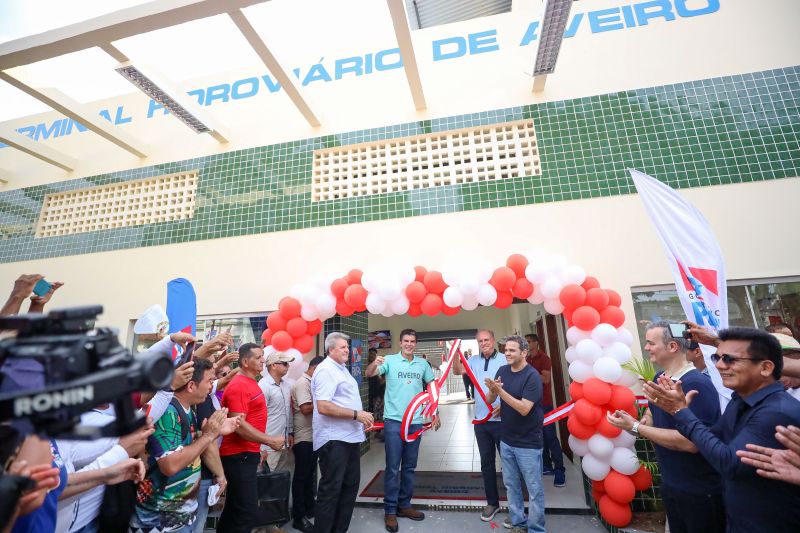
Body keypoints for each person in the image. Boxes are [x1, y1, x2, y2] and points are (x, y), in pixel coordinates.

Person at [644, 327, 800, 532]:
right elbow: (711, 436)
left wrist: (680, 413)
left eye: (729, 359)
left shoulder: (775, 411)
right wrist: (676, 413)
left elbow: (729, 462)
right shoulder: (740, 402)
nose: (719, 365)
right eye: (717, 357)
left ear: (765, 367)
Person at [607, 322, 724, 533]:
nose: (646, 348)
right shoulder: (659, 378)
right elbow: (653, 412)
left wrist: (637, 427)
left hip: (699, 490)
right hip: (672, 484)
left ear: (672, 347)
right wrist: (641, 422)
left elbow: (691, 442)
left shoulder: (696, 384)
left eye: (651, 343)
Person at [130, 358, 235, 532]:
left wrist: (214, 431)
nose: (212, 386)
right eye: (209, 381)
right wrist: (208, 436)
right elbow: (170, 465)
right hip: (160, 520)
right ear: (191, 386)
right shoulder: (168, 411)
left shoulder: (187, 408)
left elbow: (186, 445)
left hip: (179, 515)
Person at [365, 328, 438, 532]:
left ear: (416, 343)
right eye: (406, 340)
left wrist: (435, 412)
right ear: (400, 342)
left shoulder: (422, 364)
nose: (409, 344)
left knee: (409, 466)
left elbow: (431, 387)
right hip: (394, 422)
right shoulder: (389, 360)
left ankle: (404, 505)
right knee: (392, 467)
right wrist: (374, 363)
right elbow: (369, 373)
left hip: (415, 422)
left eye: (412, 341)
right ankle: (390, 510)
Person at [218, 344, 285, 533]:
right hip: (238, 456)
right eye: (258, 357)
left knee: (235, 510)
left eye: (262, 356)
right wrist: (269, 440)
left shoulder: (250, 382)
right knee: (246, 512)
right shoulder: (239, 385)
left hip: (247, 454)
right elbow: (238, 424)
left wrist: (259, 447)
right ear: (245, 362)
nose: (263, 360)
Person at [312, 332, 373, 533]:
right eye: (342, 347)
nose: (347, 350)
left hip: (349, 438)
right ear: (331, 349)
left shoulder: (342, 369)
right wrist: (356, 415)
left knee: (350, 486)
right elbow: (323, 406)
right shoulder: (326, 370)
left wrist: (361, 420)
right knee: (331, 491)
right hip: (334, 440)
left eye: (347, 346)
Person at [484, 335, 545, 533]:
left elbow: (525, 408)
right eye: (506, 350)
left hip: (528, 443)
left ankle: (536, 529)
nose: (507, 353)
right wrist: (493, 390)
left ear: (524, 352)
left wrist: (500, 393)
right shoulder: (502, 371)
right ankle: (518, 524)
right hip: (507, 440)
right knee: (511, 486)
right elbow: (490, 398)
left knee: (534, 490)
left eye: (512, 350)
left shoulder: (532, 376)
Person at [452, 330, 504, 522]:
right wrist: (456, 353)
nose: (484, 343)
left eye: (486, 340)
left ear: (493, 340)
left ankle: (516, 505)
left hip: (503, 421)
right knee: (487, 463)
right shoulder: (473, 361)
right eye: (480, 341)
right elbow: (457, 371)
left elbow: (516, 385)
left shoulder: (505, 359)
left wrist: (505, 406)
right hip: (481, 422)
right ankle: (492, 502)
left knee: (509, 463)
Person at [524, 333, 565, 487]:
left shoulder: (544, 358)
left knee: (550, 436)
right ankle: (547, 465)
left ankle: (560, 470)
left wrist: (527, 369)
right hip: (530, 404)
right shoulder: (526, 358)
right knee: (539, 436)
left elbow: (546, 379)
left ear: (536, 343)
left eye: (529, 341)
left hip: (544, 404)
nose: (527, 344)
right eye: (525, 342)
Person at [291, 356, 324, 533]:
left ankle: (310, 508)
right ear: (315, 368)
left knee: (309, 475)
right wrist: (324, 403)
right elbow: (305, 409)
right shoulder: (303, 383)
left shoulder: (311, 382)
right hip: (303, 437)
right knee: (301, 477)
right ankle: (299, 516)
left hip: (312, 436)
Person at [259, 351, 296, 472]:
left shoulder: (286, 385)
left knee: (281, 479)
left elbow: (288, 411)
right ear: (273, 365)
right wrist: (262, 446)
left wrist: (290, 433)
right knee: (267, 480)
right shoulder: (264, 385)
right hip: (268, 445)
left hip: (283, 443)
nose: (288, 366)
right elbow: (259, 417)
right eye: (285, 363)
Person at [367, 348, 386, 441]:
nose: (372, 355)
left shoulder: (379, 366)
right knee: (373, 412)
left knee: (378, 413)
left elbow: (384, 377)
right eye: (370, 353)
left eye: (374, 354)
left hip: (378, 394)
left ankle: (379, 432)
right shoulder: (368, 365)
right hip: (370, 394)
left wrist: (381, 381)